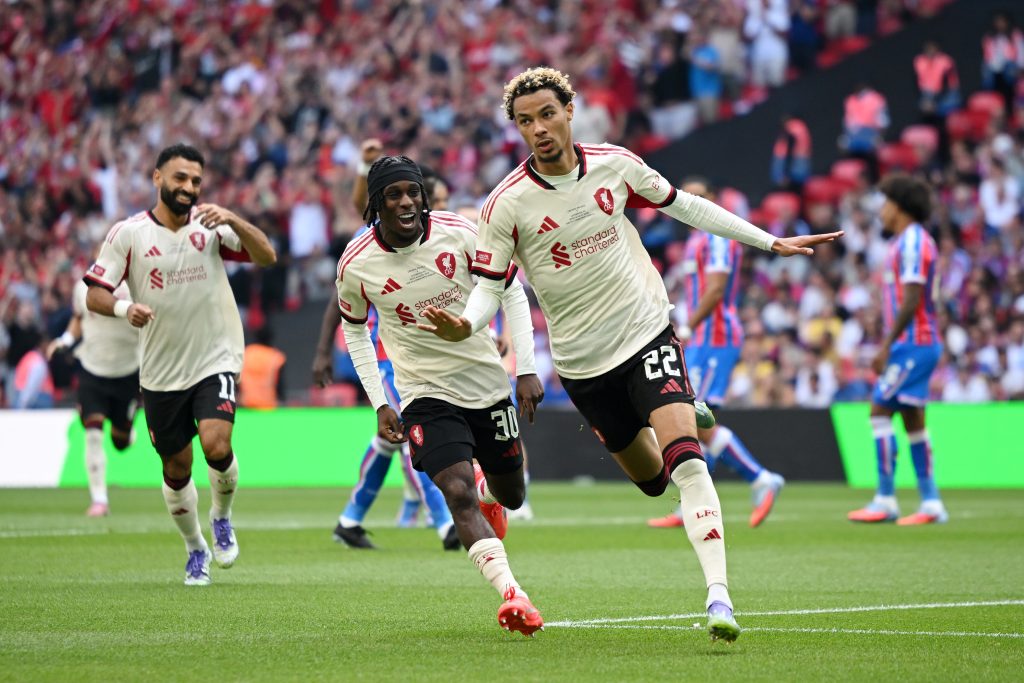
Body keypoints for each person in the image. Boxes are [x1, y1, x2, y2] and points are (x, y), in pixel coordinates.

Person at [418, 67, 842, 643]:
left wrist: (768, 241)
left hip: (646, 332)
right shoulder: (506, 204)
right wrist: (466, 322)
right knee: (650, 480)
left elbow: (687, 207)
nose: (538, 129)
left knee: (689, 463)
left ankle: (720, 597)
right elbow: (492, 284)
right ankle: (681, 408)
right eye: (525, 121)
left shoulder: (614, 165)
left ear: (570, 110)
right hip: (583, 365)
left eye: (547, 114)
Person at [337, 155, 544, 636]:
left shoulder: (460, 232)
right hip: (424, 393)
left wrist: (527, 370)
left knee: (511, 495)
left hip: (487, 385)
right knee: (456, 492)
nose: (407, 201)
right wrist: (380, 401)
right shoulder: (357, 262)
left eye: (413, 192)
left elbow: (511, 290)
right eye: (394, 194)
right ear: (376, 204)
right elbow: (354, 332)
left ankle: (491, 489)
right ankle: (514, 595)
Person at [85, 143, 277, 585]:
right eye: (180, 178)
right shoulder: (128, 234)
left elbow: (266, 255)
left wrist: (232, 219)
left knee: (216, 445)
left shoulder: (210, 226)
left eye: (195, 180)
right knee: (176, 468)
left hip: (216, 356)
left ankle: (222, 517)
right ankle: (195, 548)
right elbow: (97, 292)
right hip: (160, 371)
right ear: (157, 179)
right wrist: (122, 309)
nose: (189, 188)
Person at [312, 140, 458, 549]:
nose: (435, 206)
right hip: (384, 355)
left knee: (386, 440)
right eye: (438, 198)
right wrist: (324, 350)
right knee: (417, 432)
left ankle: (350, 519)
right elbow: (338, 300)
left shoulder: (440, 236)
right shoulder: (367, 242)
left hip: (427, 353)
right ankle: (446, 521)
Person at [648, 179, 785, 530]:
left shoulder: (717, 234)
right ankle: (693, 506)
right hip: (703, 339)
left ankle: (760, 478)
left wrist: (690, 325)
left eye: (697, 194)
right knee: (690, 419)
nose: (688, 200)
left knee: (692, 416)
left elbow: (718, 288)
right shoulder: (695, 239)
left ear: (711, 199)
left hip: (715, 336)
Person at [848, 174, 947, 525]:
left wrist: (886, 346)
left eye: (886, 201)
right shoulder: (910, 241)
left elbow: (912, 300)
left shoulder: (912, 243)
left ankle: (886, 498)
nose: (882, 209)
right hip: (919, 342)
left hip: (912, 344)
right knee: (913, 420)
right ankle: (931, 502)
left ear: (900, 206)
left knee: (879, 411)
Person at [48, 277, 140, 516]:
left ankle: (127, 432)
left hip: (128, 372)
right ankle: (99, 499)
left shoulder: (138, 284)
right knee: (93, 434)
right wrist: (65, 340)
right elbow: (78, 318)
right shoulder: (83, 287)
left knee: (119, 442)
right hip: (92, 371)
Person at [239, 325, 286, 408]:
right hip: (268, 405)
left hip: (246, 404)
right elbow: (280, 384)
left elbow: (237, 379)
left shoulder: (246, 353)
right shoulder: (276, 357)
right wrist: (282, 399)